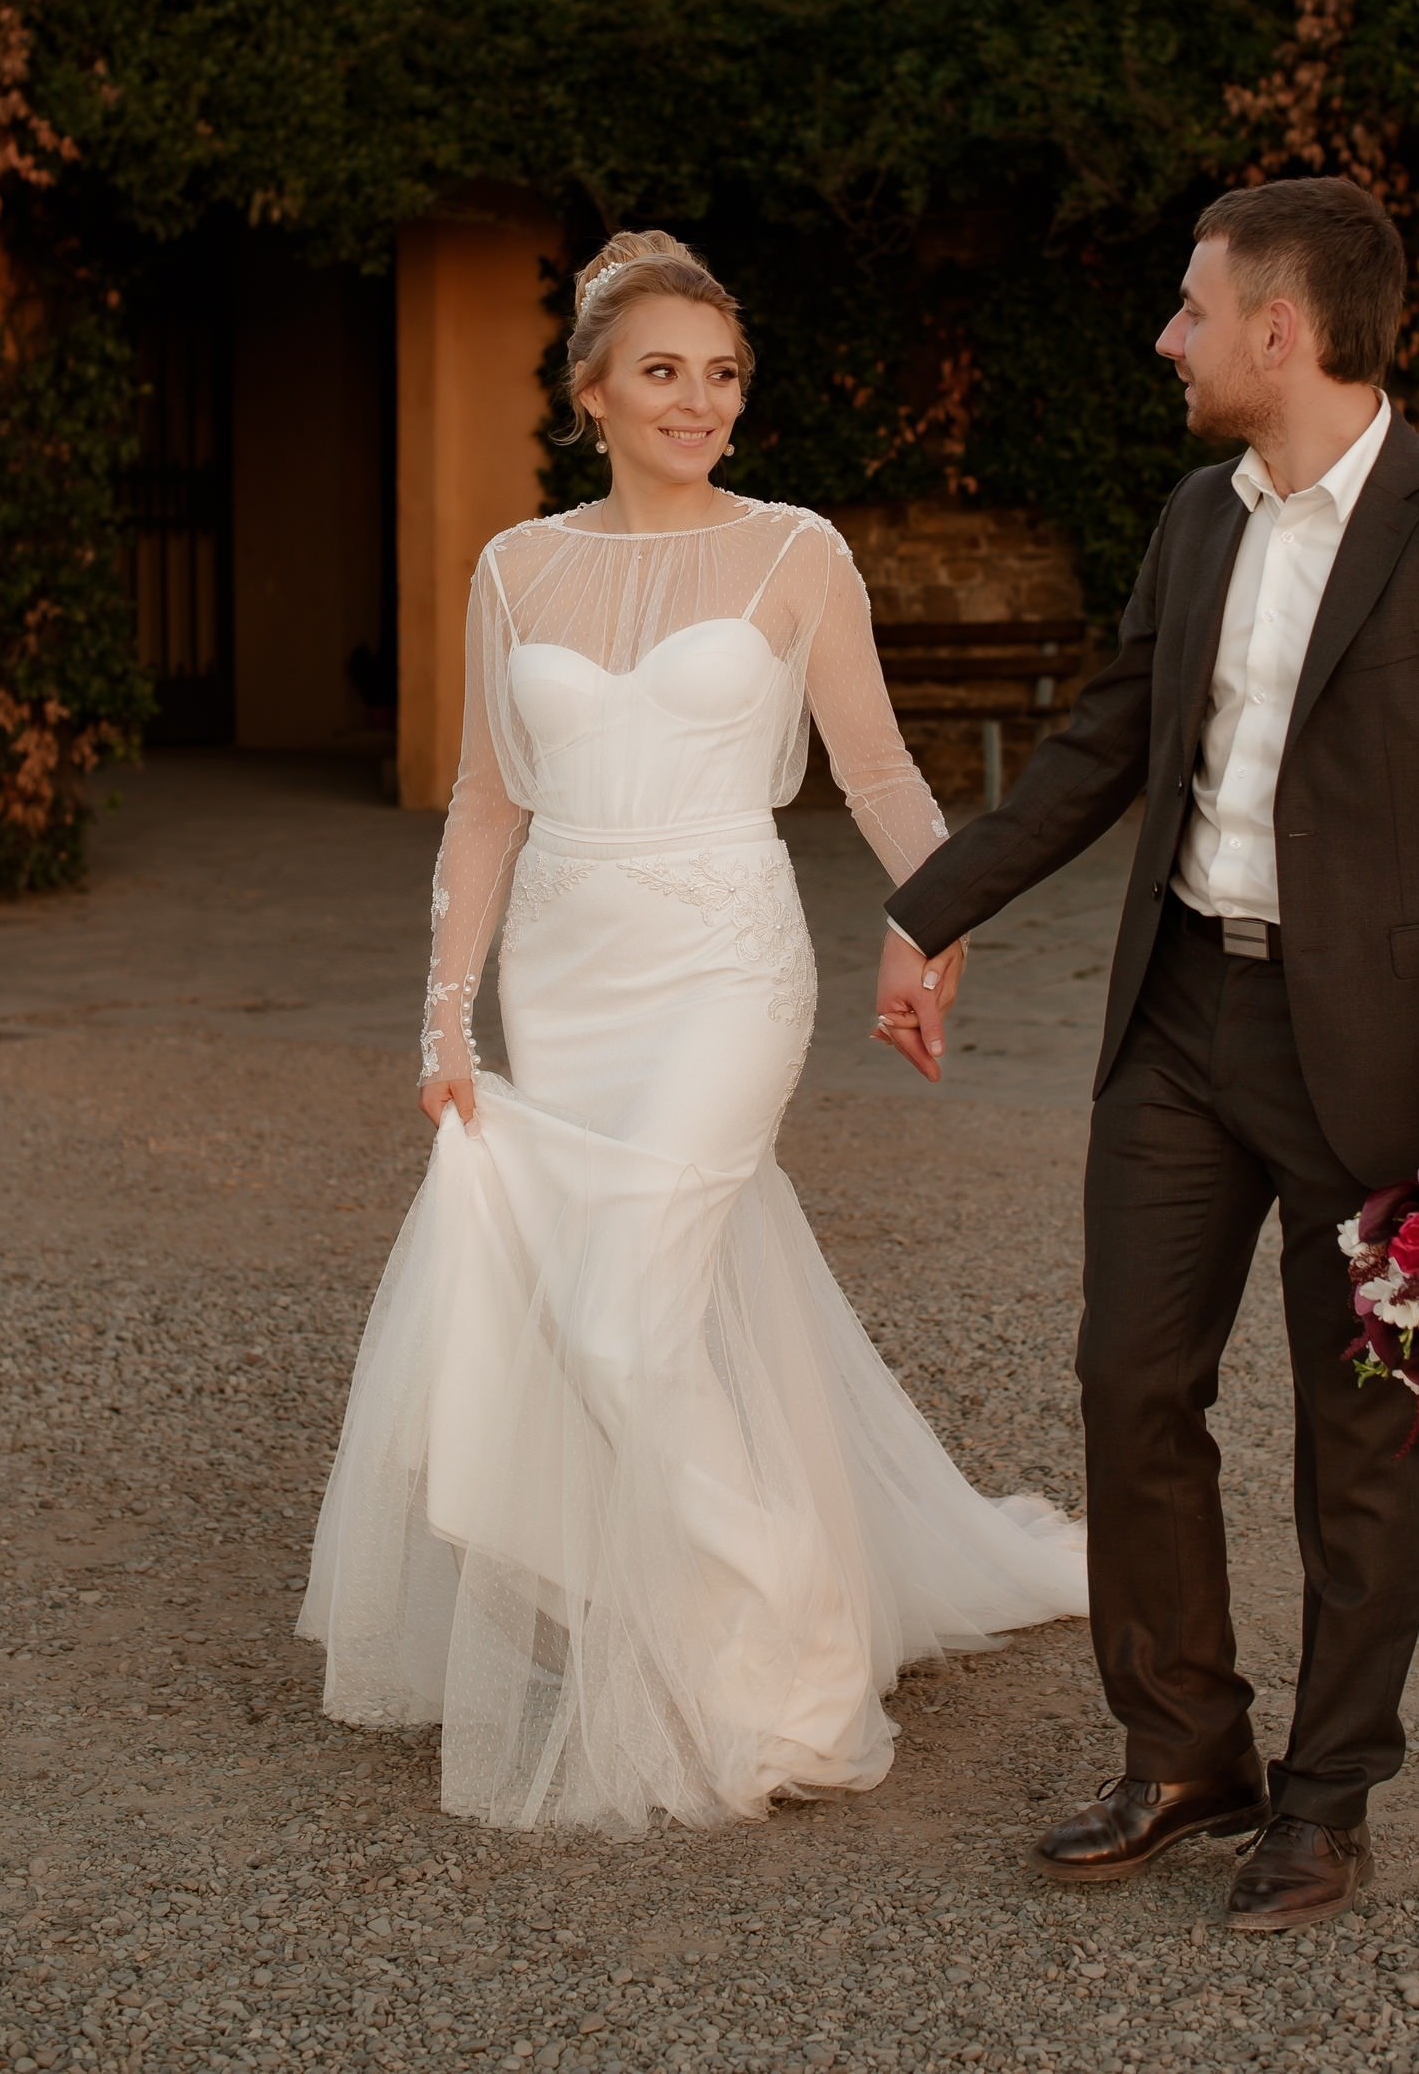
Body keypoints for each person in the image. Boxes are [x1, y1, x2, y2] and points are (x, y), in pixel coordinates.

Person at [873, 176, 1419, 1932]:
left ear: (1282, 330)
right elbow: (1099, 748)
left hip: (1393, 1054)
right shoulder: (1197, 521)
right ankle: (1186, 1749)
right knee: (1130, 1382)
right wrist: (928, 903)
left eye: (1193, 310)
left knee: (1358, 1440)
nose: (1170, 338)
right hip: (1184, 1021)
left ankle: (1330, 1798)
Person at [299, 230, 1084, 1832]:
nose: (700, 401)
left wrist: (937, 918)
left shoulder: (797, 552)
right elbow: (483, 810)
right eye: (664, 371)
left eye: (723, 375)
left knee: (616, 1320)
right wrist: (447, 1015)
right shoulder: (515, 568)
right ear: (590, 390)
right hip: (571, 983)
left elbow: (871, 772)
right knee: (643, 1300)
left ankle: (788, 1627)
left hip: (730, 964)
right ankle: (710, 1592)